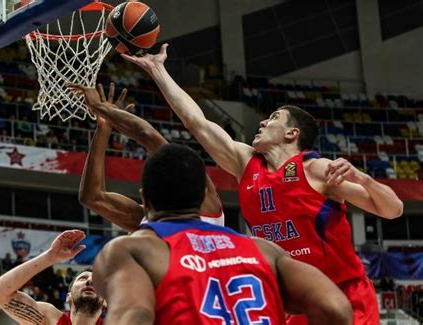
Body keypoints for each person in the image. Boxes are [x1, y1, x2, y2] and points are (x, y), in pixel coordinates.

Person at [120, 43, 404, 324]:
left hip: (345, 296)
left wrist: (362, 177)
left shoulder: (316, 169)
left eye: (273, 118)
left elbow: (393, 210)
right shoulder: (246, 163)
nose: (262, 123)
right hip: (294, 301)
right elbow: (197, 122)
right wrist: (158, 71)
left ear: (292, 133)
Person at [92, 143, 352, 324]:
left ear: (145, 200)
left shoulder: (133, 251)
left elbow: (133, 316)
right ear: (203, 196)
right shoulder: (265, 250)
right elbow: (335, 308)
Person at [70, 82, 224, 232]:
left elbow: (147, 135)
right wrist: (104, 127)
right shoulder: (151, 218)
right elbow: (91, 198)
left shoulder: (205, 205)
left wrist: (99, 107)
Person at [0, 230, 105, 325]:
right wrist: (50, 257)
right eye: (82, 278)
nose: (90, 281)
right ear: (68, 296)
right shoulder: (49, 318)